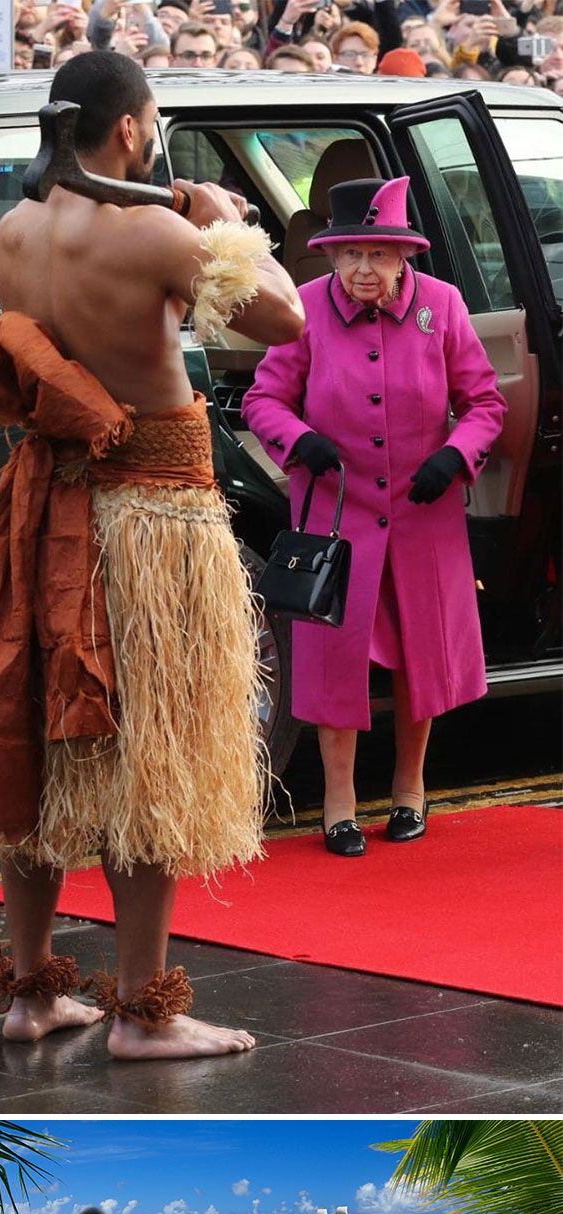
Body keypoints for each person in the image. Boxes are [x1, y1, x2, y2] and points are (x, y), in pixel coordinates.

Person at [0, 52, 304, 1049]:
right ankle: (144, 1015)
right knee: (153, 761)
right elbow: (284, 318)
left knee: (39, 753)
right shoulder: (159, 234)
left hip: (44, 509)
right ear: (132, 129)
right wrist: (221, 222)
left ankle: (30, 996)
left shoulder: (15, 233)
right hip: (152, 522)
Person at [243, 176, 506, 856]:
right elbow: (262, 400)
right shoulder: (303, 309)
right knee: (336, 659)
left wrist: (455, 456)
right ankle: (339, 804)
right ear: (331, 254)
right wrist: (299, 439)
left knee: (422, 652)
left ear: (404, 255)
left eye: (379, 254)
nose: (364, 268)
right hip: (339, 517)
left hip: (423, 514)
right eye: (351, 253)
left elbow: (485, 404)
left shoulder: (442, 306)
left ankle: (409, 791)